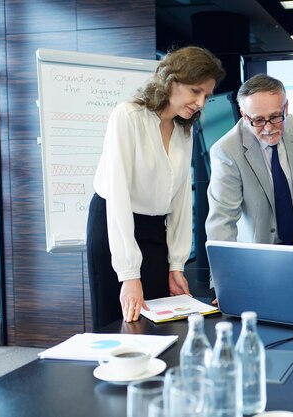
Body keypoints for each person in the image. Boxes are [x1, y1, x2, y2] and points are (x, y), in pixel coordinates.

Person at [86, 46, 225, 330]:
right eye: (195, 91)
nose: (200, 103)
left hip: (154, 231)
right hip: (115, 226)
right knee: (122, 321)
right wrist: (128, 274)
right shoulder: (128, 117)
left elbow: (181, 200)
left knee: (159, 322)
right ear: (171, 81)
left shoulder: (184, 129)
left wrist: (176, 264)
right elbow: (118, 197)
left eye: (206, 96)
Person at [206, 74, 293, 245]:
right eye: (258, 120)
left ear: (286, 107)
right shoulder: (226, 151)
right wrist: (225, 269)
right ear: (244, 115)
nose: (268, 128)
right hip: (259, 249)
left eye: (275, 117)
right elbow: (222, 221)